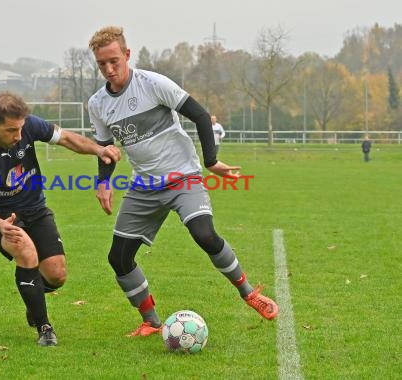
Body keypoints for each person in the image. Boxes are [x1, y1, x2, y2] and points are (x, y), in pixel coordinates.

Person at [87, 26, 278, 337]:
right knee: (118, 258)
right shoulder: (98, 104)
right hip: (144, 186)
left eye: (114, 61)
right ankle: (151, 321)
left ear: (126, 55)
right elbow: (106, 149)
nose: (109, 70)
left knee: (204, 234)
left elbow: (201, 116)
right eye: (101, 64)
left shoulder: (153, 84)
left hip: (182, 177)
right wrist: (103, 182)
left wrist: (211, 161)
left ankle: (249, 293)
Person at [0, 91, 120, 346]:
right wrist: (0, 225)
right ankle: (45, 328)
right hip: (1, 217)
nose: (19, 136)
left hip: (35, 207)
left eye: (21, 128)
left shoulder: (28, 125)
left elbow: (66, 138)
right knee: (26, 252)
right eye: (12, 130)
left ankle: (32, 296)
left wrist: (98, 150)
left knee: (57, 275)